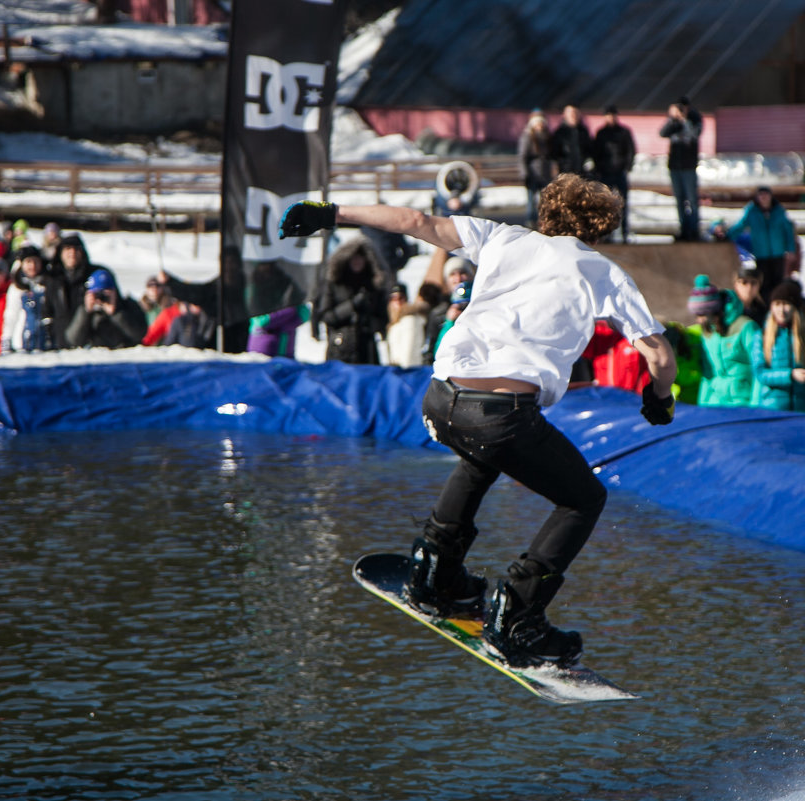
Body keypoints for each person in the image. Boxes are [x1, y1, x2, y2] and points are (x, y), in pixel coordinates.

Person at [277, 172, 677, 667]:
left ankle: (435, 574)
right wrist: (659, 399)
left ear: (547, 212)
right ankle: (518, 614)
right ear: (599, 228)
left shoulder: (503, 237)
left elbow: (414, 221)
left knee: (479, 459)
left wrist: (330, 214)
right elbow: (659, 356)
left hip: (441, 399)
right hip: (500, 415)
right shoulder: (603, 272)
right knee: (583, 498)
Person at [750, 279, 805, 412]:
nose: (781, 310)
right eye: (777, 304)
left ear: (795, 307)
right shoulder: (762, 335)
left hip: (802, 407)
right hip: (772, 407)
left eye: (786, 304)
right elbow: (760, 373)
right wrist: (790, 375)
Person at [314, 236, 389, 365]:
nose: (357, 262)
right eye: (354, 258)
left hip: (367, 350)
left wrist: (369, 321)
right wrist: (352, 305)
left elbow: (383, 318)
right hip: (340, 347)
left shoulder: (373, 286)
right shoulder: (335, 284)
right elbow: (326, 316)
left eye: (360, 258)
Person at [687, 274, 759, 407]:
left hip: (742, 401)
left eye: (702, 315)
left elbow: (759, 367)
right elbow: (708, 375)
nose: (699, 320)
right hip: (715, 403)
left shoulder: (745, 327)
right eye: (697, 315)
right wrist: (702, 407)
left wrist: (755, 405)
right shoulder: (708, 332)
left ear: (713, 310)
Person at [728, 187, 797, 303]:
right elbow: (741, 225)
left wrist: (791, 249)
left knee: (778, 281)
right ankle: (765, 306)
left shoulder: (778, 211)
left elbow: (788, 231)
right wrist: (727, 236)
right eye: (761, 195)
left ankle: (778, 303)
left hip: (778, 252)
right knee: (763, 283)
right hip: (761, 253)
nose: (764, 198)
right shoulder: (752, 211)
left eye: (766, 195)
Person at [65, 269, 149, 349]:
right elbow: (73, 340)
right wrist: (86, 312)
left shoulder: (129, 306)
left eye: (106, 291)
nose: (101, 296)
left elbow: (139, 335)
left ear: (115, 291)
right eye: (97, 292)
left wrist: (116, 313)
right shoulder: (86, 311)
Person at [659, 96, 703, 242]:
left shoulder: (695, 119)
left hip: (688, 166)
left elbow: (694, 134)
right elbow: (663, 133)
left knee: (692, 199)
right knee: (680, 199)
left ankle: (694, 229)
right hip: (675, 166)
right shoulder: (674, 122)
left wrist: (684, 120)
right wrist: (673, 119)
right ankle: (684, 229)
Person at [592, 105, 636, 242]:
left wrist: (626, 167)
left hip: (620, 172)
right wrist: (599, 168)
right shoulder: (601, 133)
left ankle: (624, 232)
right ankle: (607, 233)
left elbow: (630, 150)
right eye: (608, 115)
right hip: (605, 173)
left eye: (613, 115)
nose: (611, 118)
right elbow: (596, 152)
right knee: (606, 204)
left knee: (623, 203)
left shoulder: (624, 132)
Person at [2, 246, 58, 353]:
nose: (32, 266)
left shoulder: (48, 284)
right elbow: (11, 314)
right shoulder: (17, 287)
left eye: (36, 262)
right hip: (21, 341)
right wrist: (7, 338)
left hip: (45, 340)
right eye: (28, 262)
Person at [517, 108, 550, 227]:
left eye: (541, 122)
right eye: (538, 122)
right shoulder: (528, 136)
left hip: (544, 173)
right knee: (531, 199)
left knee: (544, 199)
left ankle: (543, 220)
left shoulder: (546, 136)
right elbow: (523, 157)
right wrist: (525, 174)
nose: (540, 125)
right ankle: (530, 220)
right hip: (532, 172)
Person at [384, 282, 427, 368]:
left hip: (407, 373)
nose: (398, 302)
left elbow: (409, 353)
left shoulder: (409, 320)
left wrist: (405, 373)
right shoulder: (394, 323)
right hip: (396, 371)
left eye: (401, 298)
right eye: (394, 298)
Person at [547, 105, 592, 179]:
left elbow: (589, 150)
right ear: (565, 115)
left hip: (582, 174)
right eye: (571, 113)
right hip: (565, 173)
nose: (573, 115)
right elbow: (554, 154)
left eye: (575, 113)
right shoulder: (559, 133)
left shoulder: (583, 132)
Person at [432, 280, 471, 357]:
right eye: (460, 307)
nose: (463, 310)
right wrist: (449, 322)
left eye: (467, 305)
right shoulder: (448, 321)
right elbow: (439, 351)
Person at [733, 250, 768, 326]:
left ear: (760, 285)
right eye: (744, 282)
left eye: (753, 283)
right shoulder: (729, 309)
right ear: (736, 285)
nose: (749, 287)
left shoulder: (763, 311)